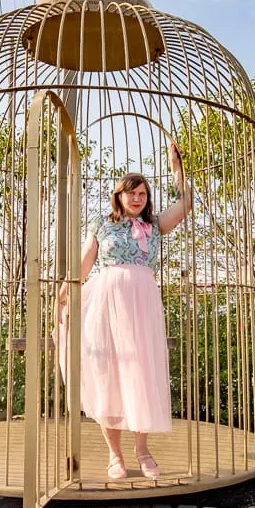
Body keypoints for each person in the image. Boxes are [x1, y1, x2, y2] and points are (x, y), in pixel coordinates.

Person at [59, 140, 190, 480]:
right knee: (109, 376)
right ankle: (115, 456)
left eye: (143, 194)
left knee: (142, 374)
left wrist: (177, 169)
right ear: (118, 196)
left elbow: (185, 203)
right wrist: (65, 292)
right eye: (131, 193)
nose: (137, 199)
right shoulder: (102, 225)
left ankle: (142, 449)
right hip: (106, 306)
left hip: (142, 307)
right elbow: (83, 265)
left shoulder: (155, 227)